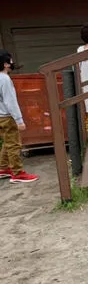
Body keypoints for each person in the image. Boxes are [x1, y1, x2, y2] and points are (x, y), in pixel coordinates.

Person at [0, 49, 39, 183]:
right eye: (10, 60)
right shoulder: (5, 79)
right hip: (7, 116)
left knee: (7, 143)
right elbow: (10, 102)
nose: (12, 63)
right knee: (14, 145)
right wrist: (19, 120)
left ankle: (3, 168)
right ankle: (18, 173)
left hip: (0, 117)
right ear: (5, 64)